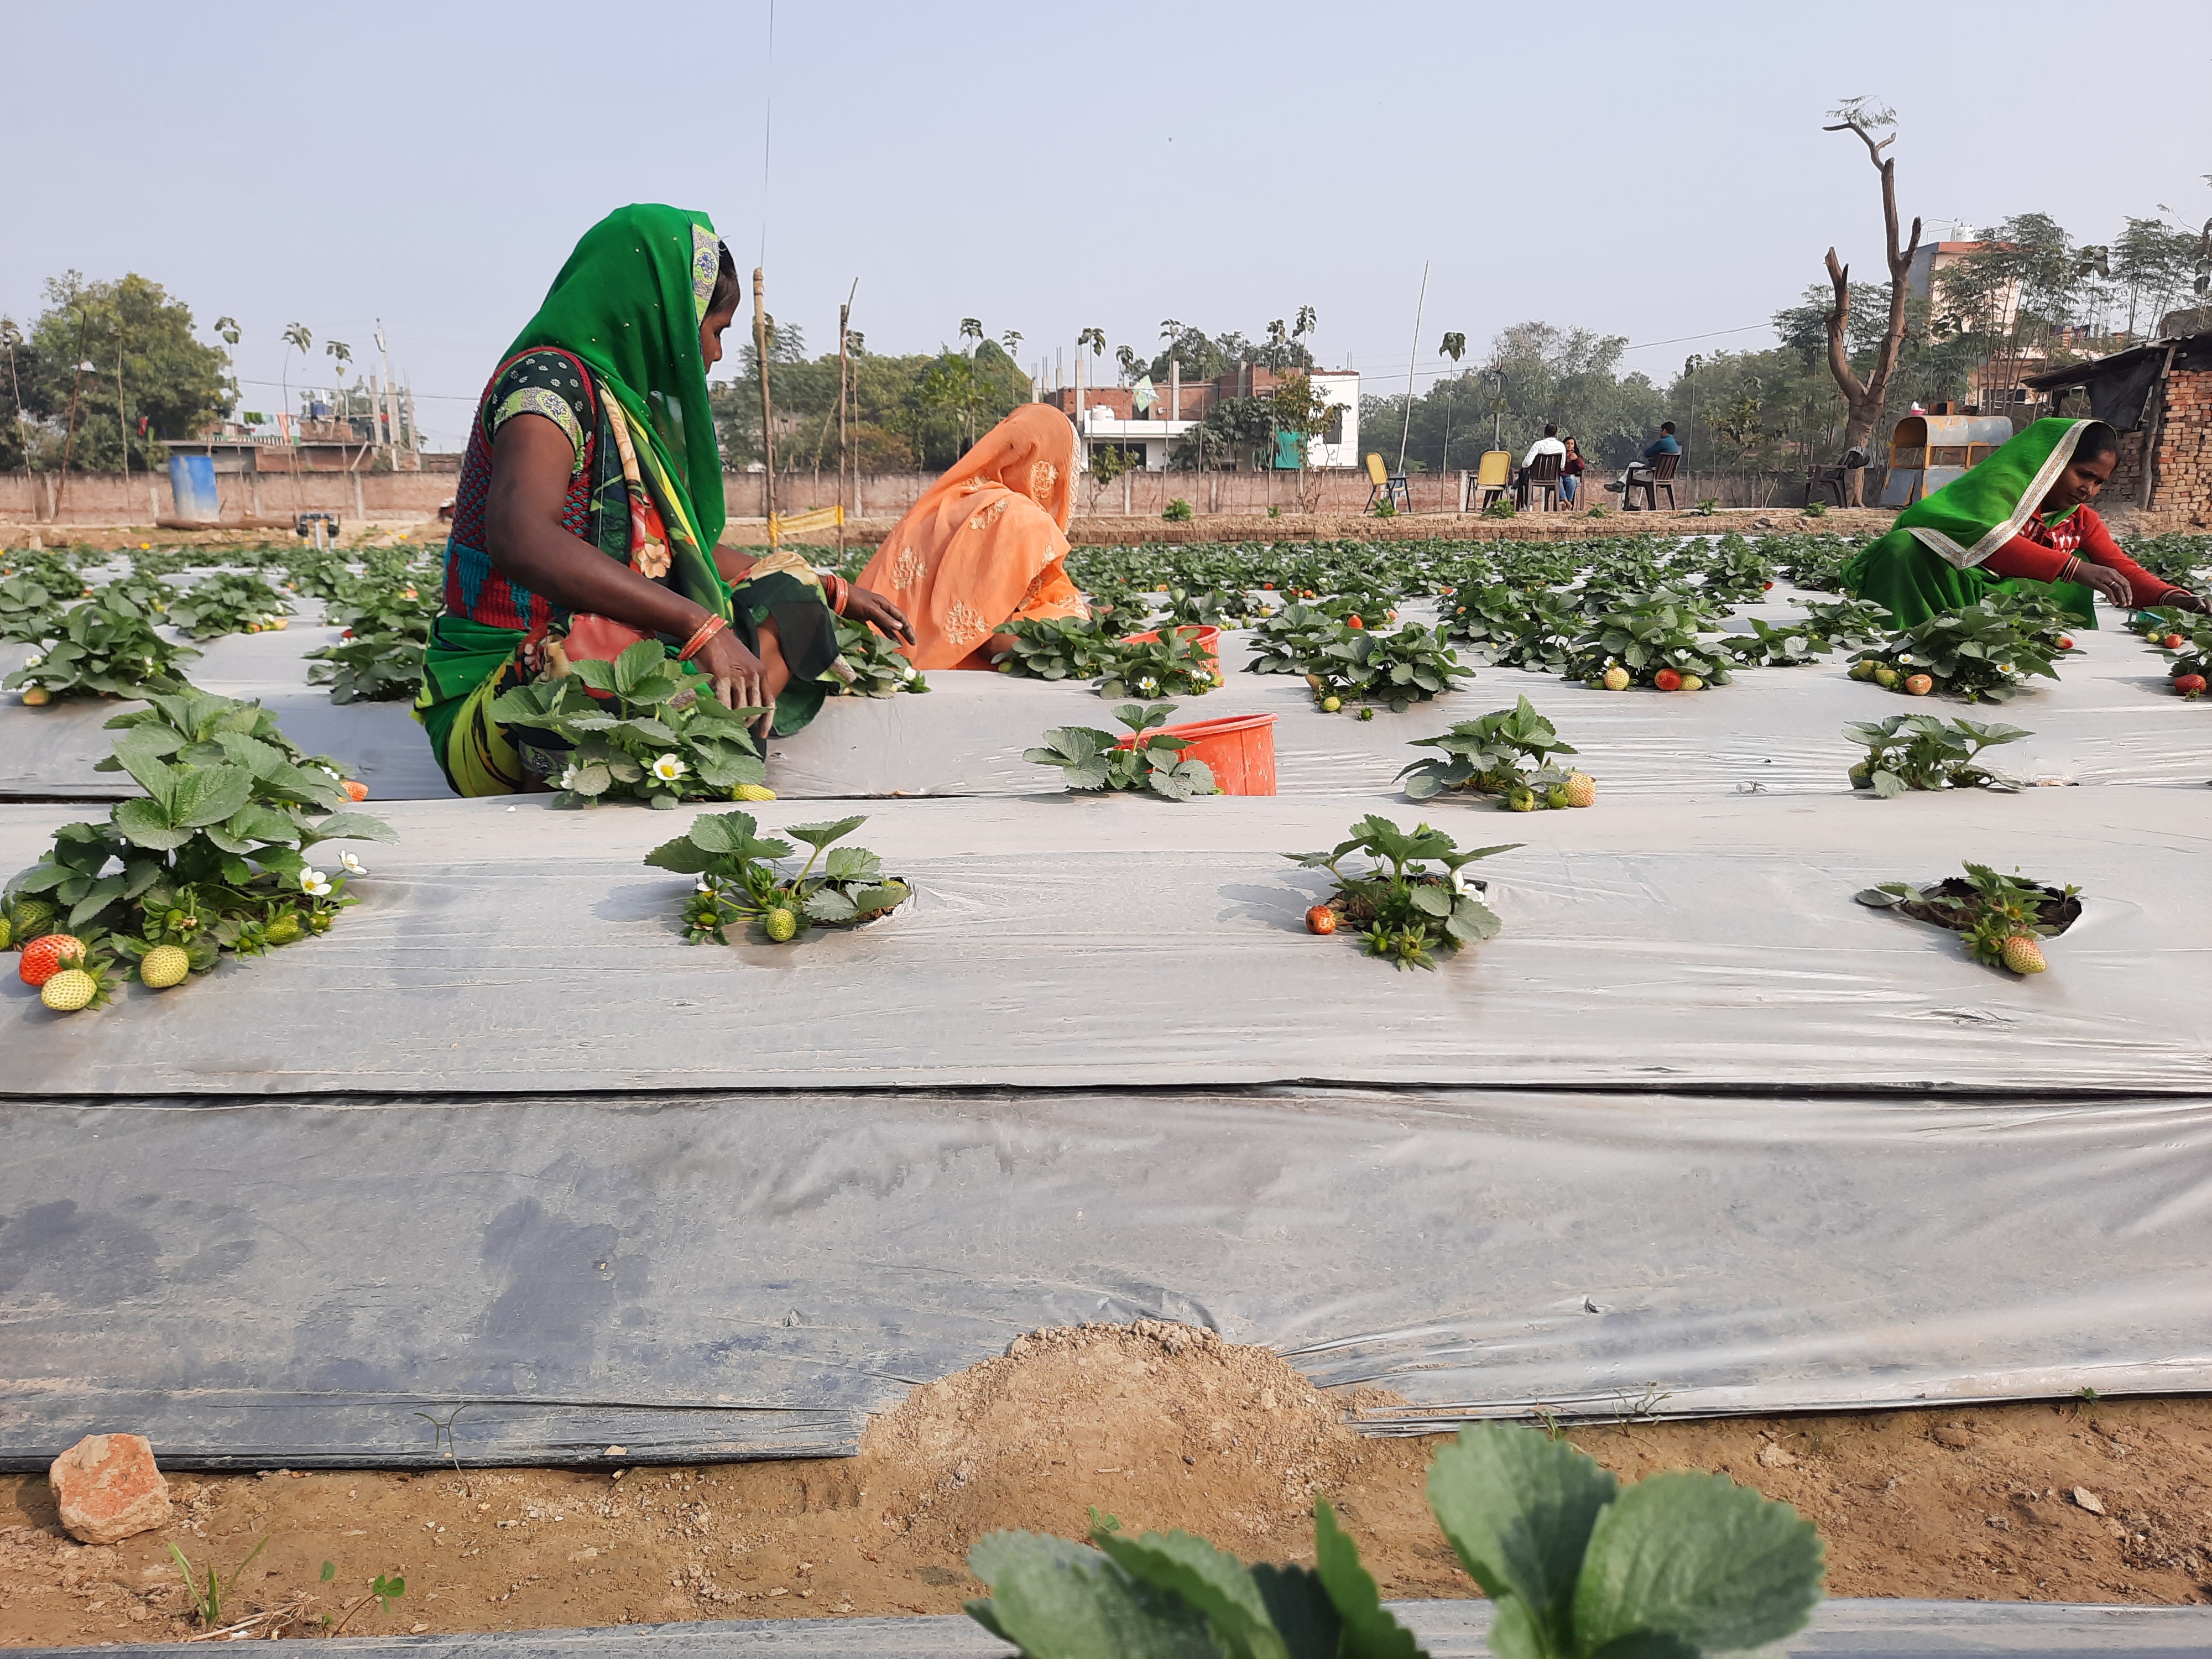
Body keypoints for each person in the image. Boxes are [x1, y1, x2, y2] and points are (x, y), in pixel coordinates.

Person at [416, 204, 911, 796]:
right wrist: (698, 625)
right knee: (589, 647)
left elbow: (678, 554)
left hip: (615, 651)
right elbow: (522, 536)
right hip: (508, 685)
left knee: (791, 594)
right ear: (664, 318)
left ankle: (687, 749)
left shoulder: (622, 408)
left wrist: (832, 588)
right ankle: (670, 748)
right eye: (716, 330)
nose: (716, 354)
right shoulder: (546, 383)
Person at [1840, 417, 2203, 628]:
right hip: (1951, 606)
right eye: (2083, 475)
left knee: (2078, 574)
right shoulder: (1994, 496)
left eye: (2098, 483)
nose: (2088, 490)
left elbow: (2122, 570)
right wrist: (2072, 568)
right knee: (1903, 547)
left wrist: (2173, 597)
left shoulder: (2081, 522)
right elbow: (1994, 542)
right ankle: (1903, 637)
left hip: (2014, 625)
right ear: (2050, 462)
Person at [858, 405, 1090, 671]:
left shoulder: (956, 498)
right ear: (1046, 469)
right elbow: (992, 641)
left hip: (874, 657)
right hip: (945, 669)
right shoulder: (1023, 520)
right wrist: (1082, 636)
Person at [1619, 422, 1679, 508]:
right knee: (1633, 464)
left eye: (1661, 431)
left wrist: (1653, 456)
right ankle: (1620, 483)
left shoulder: (1662, 443)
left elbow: (1647, 453)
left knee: (1631, 476)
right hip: (1665, 475)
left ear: (1665, 431)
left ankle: (1634, 504)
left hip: (1654, 474)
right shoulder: (1675, 445)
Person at [1559, 435, 1586, 507]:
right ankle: (1566, 502)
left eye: (1572, 444)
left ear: (1574, 446)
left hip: (1570, 476)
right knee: (1557, 481)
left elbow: (1582, 467)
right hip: (1560, 476)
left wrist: (1576, 459)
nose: (1570, 445)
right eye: (1568, 443)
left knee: (1573, 480)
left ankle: (1568, 502)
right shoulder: (1560, 455)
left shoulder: (1577, 456)